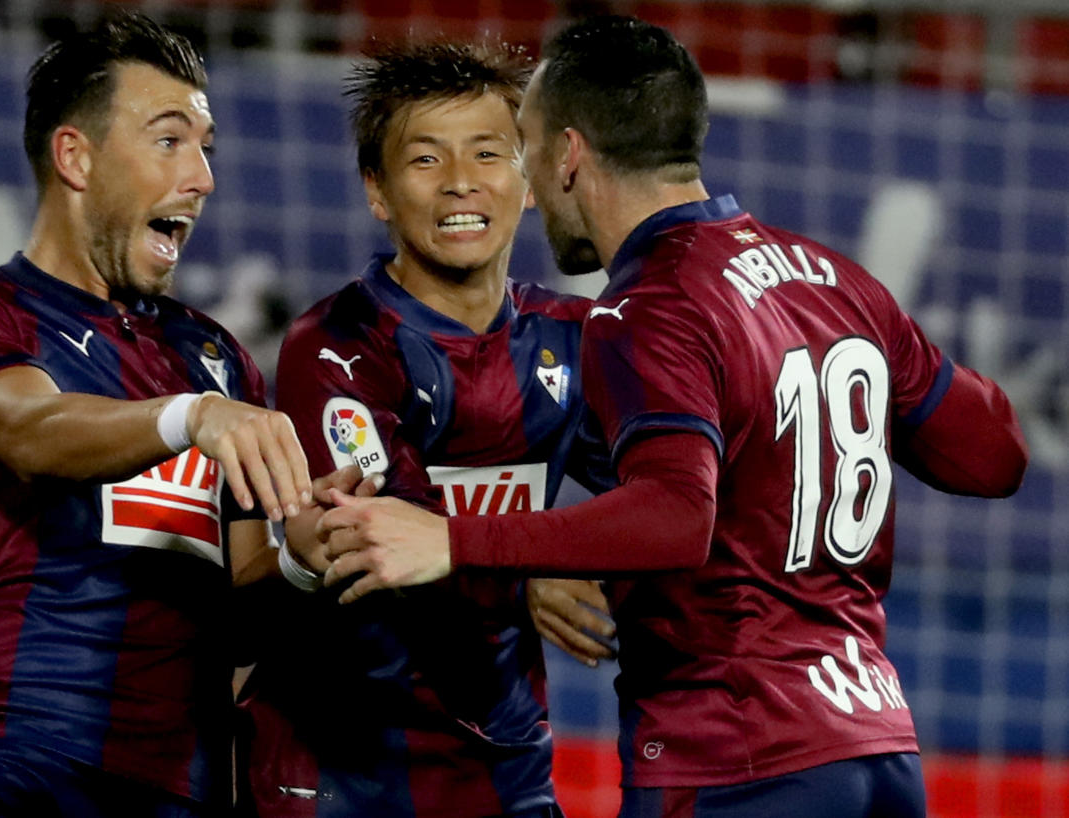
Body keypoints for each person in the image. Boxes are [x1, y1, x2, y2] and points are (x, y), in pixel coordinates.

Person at [316, 16, 1029, 818]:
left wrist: (452, 540)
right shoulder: (837, 282)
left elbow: (673, 517)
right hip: (878, 750)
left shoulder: (646, 306)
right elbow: (995, 457)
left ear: (568, 156)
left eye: (524, 150)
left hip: (733, 755)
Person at [0, 14, 313, 817]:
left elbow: (241, 625)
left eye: (206, 147)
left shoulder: (218, 358)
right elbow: (30, 432)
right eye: (168, 141)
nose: (202, 177)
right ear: (75, 157)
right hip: (14, 764)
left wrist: (307, 560)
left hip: (184, 788)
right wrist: (188, 418)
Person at [236, 40, 616, 818]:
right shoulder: (338, 344)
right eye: (425, 160)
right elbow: (377, 527)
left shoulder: (572, 339)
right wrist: (528, 561)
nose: (460, 183)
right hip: (340, 771)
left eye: (487, 153)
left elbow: (669, 494)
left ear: (531, 180)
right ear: (377, 192)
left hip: (505, 765)